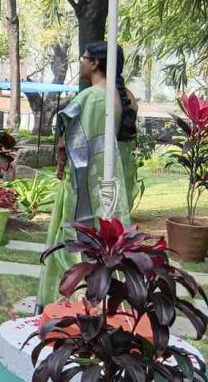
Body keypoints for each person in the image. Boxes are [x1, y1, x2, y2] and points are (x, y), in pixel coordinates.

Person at [37, 42, 138, 310]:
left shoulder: (90, 98)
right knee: (109, 244)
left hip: (82, 187)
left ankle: (70, 302)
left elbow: (65, 144)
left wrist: (61, 164)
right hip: (112, 189)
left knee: (73, 242)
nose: (80, 63)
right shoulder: (126, 97)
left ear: (94, 63)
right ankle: (108, 303)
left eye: (83, 58)